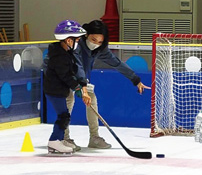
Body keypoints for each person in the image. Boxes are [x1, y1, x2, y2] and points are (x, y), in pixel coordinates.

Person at [64, 20, 150, 150]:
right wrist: (82, 85)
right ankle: (63, 137)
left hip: (81, 78)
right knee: (68, 99)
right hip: (63, 75)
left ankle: (94, 137)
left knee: (91, 99)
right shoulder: (76, 45)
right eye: (93, 39)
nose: (96, 44)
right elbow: (77, 66)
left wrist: (135, 79)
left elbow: (116, 63)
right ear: (86, 35)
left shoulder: (100, 49)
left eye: (99, 42)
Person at [43, 20, 91, 154]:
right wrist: (77, 89)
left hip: (59, 90)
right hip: (54, 91)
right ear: (69, 41)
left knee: (64, 115)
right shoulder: (59, 56)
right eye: (77, 40)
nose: (78, 43)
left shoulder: (65, 53)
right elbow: (65, 76)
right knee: (63, 116)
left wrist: (81, 87)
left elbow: (74, 70)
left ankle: (58, 140)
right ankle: (54, 141)